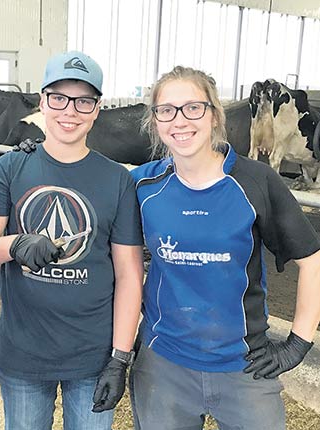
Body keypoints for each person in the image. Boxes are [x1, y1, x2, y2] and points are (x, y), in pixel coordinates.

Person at [129, 65, 320, 429]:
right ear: (155, 121)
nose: (179, 120)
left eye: (193, 107)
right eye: (166, 110)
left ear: (214, 115)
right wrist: (33, 158)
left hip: (244, 367)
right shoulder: (142, 185)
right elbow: (85, 202)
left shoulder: (255, 181)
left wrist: (298, 343)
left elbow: (313, 262)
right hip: (162, 365)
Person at [0, 50, 144, 429]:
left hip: (92, 357)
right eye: (58, 98)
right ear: (42, 102)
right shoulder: (13, 167)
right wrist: (14, 245)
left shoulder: (117, 180)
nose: (69, 111)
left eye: (83, 101)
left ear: (97, 110)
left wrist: (120, 357)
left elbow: (129, 273)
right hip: (24, 355)